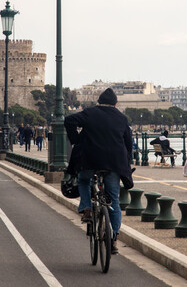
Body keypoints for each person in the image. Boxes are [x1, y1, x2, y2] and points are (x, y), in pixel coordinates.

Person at [65, 88, 133, 255]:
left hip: (90, 159)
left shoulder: (90, 113)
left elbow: (69, 120)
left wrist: (77, 140)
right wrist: (127, 160)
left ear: (99, 102)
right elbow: (128, 142)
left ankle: (87, 208)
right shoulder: (121, 118)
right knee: (114, 201)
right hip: (114, 163)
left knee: (83, 180)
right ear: (116, 104)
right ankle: (114, 238)